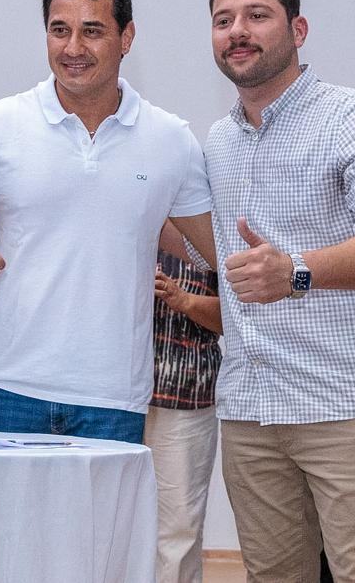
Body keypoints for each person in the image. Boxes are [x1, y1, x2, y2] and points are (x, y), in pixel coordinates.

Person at [0, 0, 215, 444]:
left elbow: (216, 251)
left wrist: (297, 267)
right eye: (60, 30)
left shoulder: (171, 139)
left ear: (126, 37)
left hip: (113, 398)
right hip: (6, 388)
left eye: (92, 31)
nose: (73, 48)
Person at [203, 0, 355, 583]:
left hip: (348, 406)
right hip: (250, 409)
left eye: (256, 15)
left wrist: (296, 271)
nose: (237, 31)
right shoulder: (219, 141)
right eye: (223, 20)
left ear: (297, 30)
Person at [149, 221, 223, 583]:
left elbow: (240, 314)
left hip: (185, 394)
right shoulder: (122, 212)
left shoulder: (214, 223)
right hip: (112, 396)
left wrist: (185, 301)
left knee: (178, 528)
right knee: (110, 521)